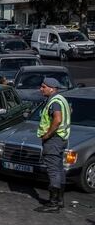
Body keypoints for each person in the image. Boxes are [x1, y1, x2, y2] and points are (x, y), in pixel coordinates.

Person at [34, 77, 71, 213]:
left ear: (52, 88)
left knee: (53, 171)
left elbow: (58, 119)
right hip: (61, 139)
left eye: (43, 87)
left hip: (54, 140)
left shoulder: (55, 102)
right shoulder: (61, 99)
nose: (41, 89)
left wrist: (47, 135)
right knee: (59, 169)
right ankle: (59, 201)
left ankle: (53, 203)